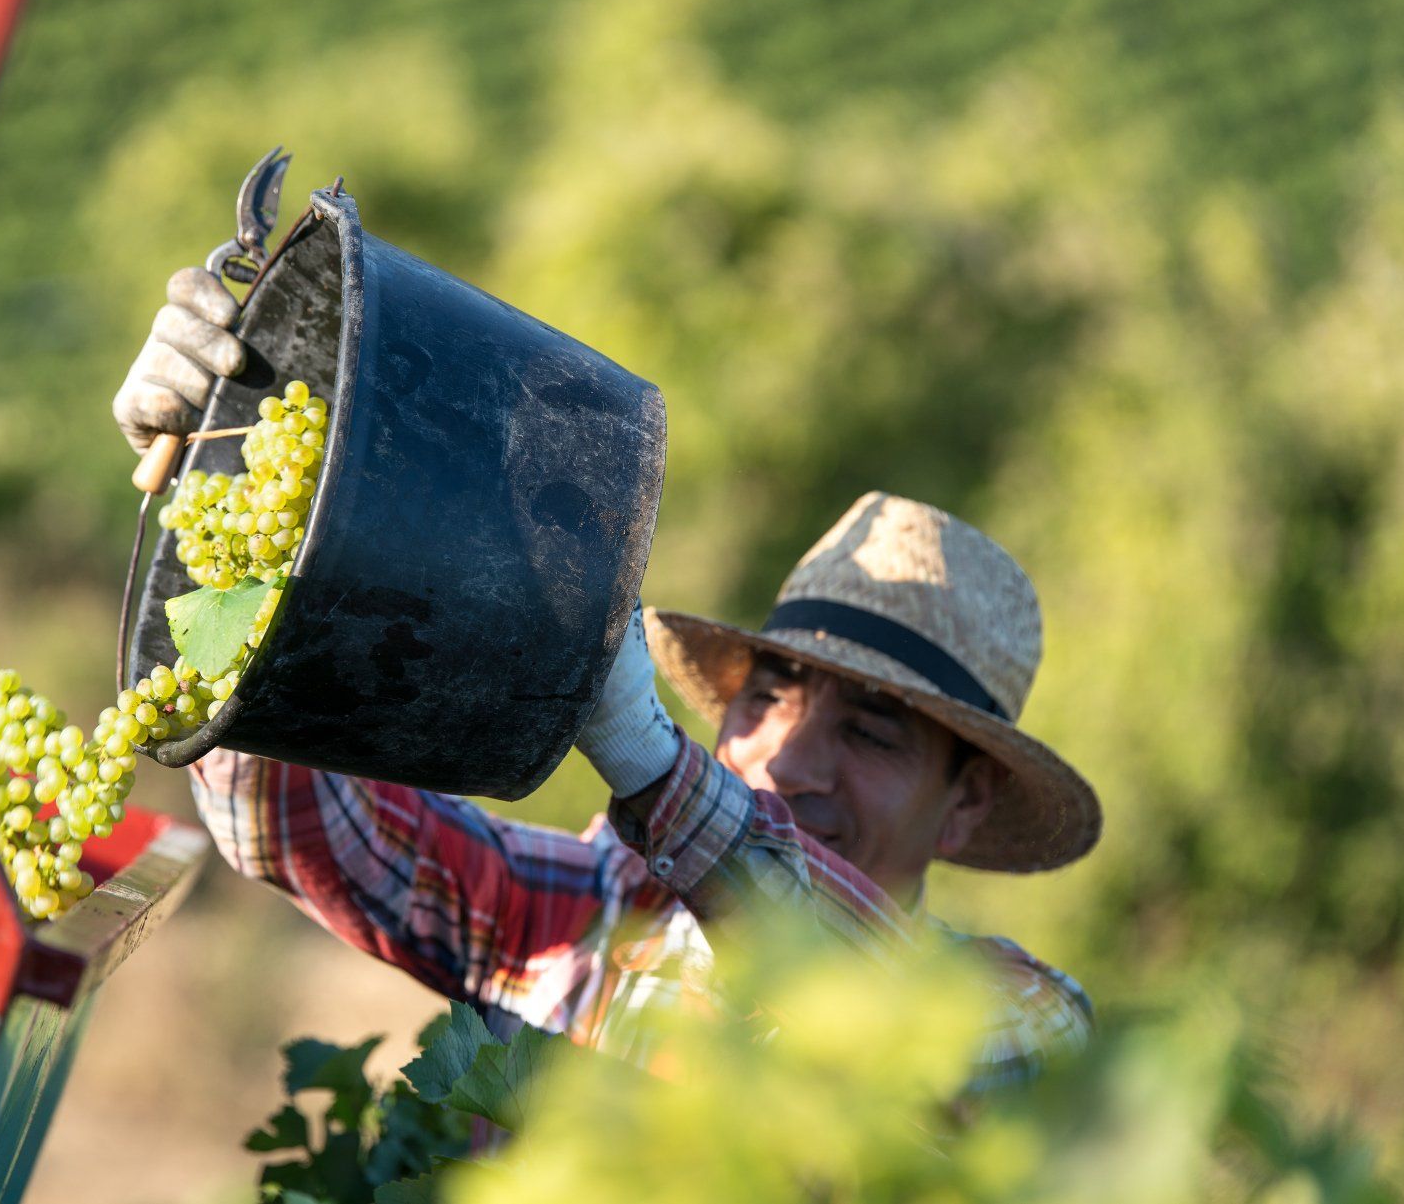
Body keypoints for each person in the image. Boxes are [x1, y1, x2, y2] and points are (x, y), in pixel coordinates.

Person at [114, 267, 1101, 1097]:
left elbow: (895, 1025)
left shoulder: (1017, 1021)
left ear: (965, 806)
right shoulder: (579, 918)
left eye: (873, 734)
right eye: (768, 697)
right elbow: (292, 819)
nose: (789, 760)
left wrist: (653, 764)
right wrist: (239, 491)